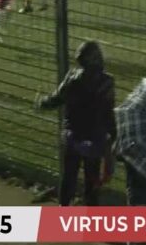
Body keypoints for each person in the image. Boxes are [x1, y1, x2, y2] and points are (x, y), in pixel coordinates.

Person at [36, 41, 116, 206]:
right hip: (95, 138)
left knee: (69, 177)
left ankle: (64, 208)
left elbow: (56, 99)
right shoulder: (107, 82)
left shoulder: (72, 78)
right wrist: (113, 137)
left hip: (73, 136)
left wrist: (42, 102)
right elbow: (109, 114)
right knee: (92, 182)